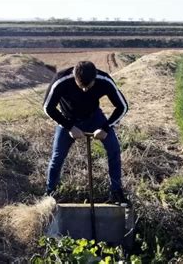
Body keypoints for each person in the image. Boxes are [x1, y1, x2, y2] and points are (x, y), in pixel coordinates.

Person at [43, 61, 129, 204]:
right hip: (67, 119)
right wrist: (69, 127)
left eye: (88, 86)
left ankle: (116, 191)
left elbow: (123, 106)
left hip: (94, 118)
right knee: (57, 157)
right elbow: (48, 107)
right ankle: (50, 192)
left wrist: (105, 128)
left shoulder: (104, 80)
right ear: (74, 77)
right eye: (80, 86)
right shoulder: (61, 80)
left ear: (95, 78)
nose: (84, 90)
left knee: (114, 150)